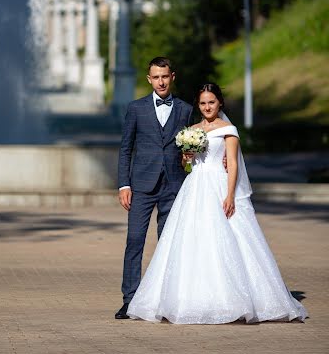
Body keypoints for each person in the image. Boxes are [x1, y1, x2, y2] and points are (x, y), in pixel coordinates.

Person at [127, 82, 308, 324]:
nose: (207, 107)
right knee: (192, 241)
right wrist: (187, 158)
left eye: (211, 102)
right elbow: (187, 166)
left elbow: (232, 163)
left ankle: (234, 298)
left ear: (219, 103)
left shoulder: (228, 130)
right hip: (194, 187)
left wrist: (230, 194)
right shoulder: (192, 129)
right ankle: (187, 297)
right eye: (202, 103)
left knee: (226, 239)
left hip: (218, 187)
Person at [115, 57, 193, 319]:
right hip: (141, 186)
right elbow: (126, 148)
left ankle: (165, 300)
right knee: (135, 241)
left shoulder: (185, 109)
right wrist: (124, 183)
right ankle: (130, 300)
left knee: (168, 244)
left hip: (173, 185)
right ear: (149, 79)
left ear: (173, 77)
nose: (160, 81)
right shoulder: (136, 108)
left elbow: (193, 147)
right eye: (155, 77)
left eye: (165, 76)